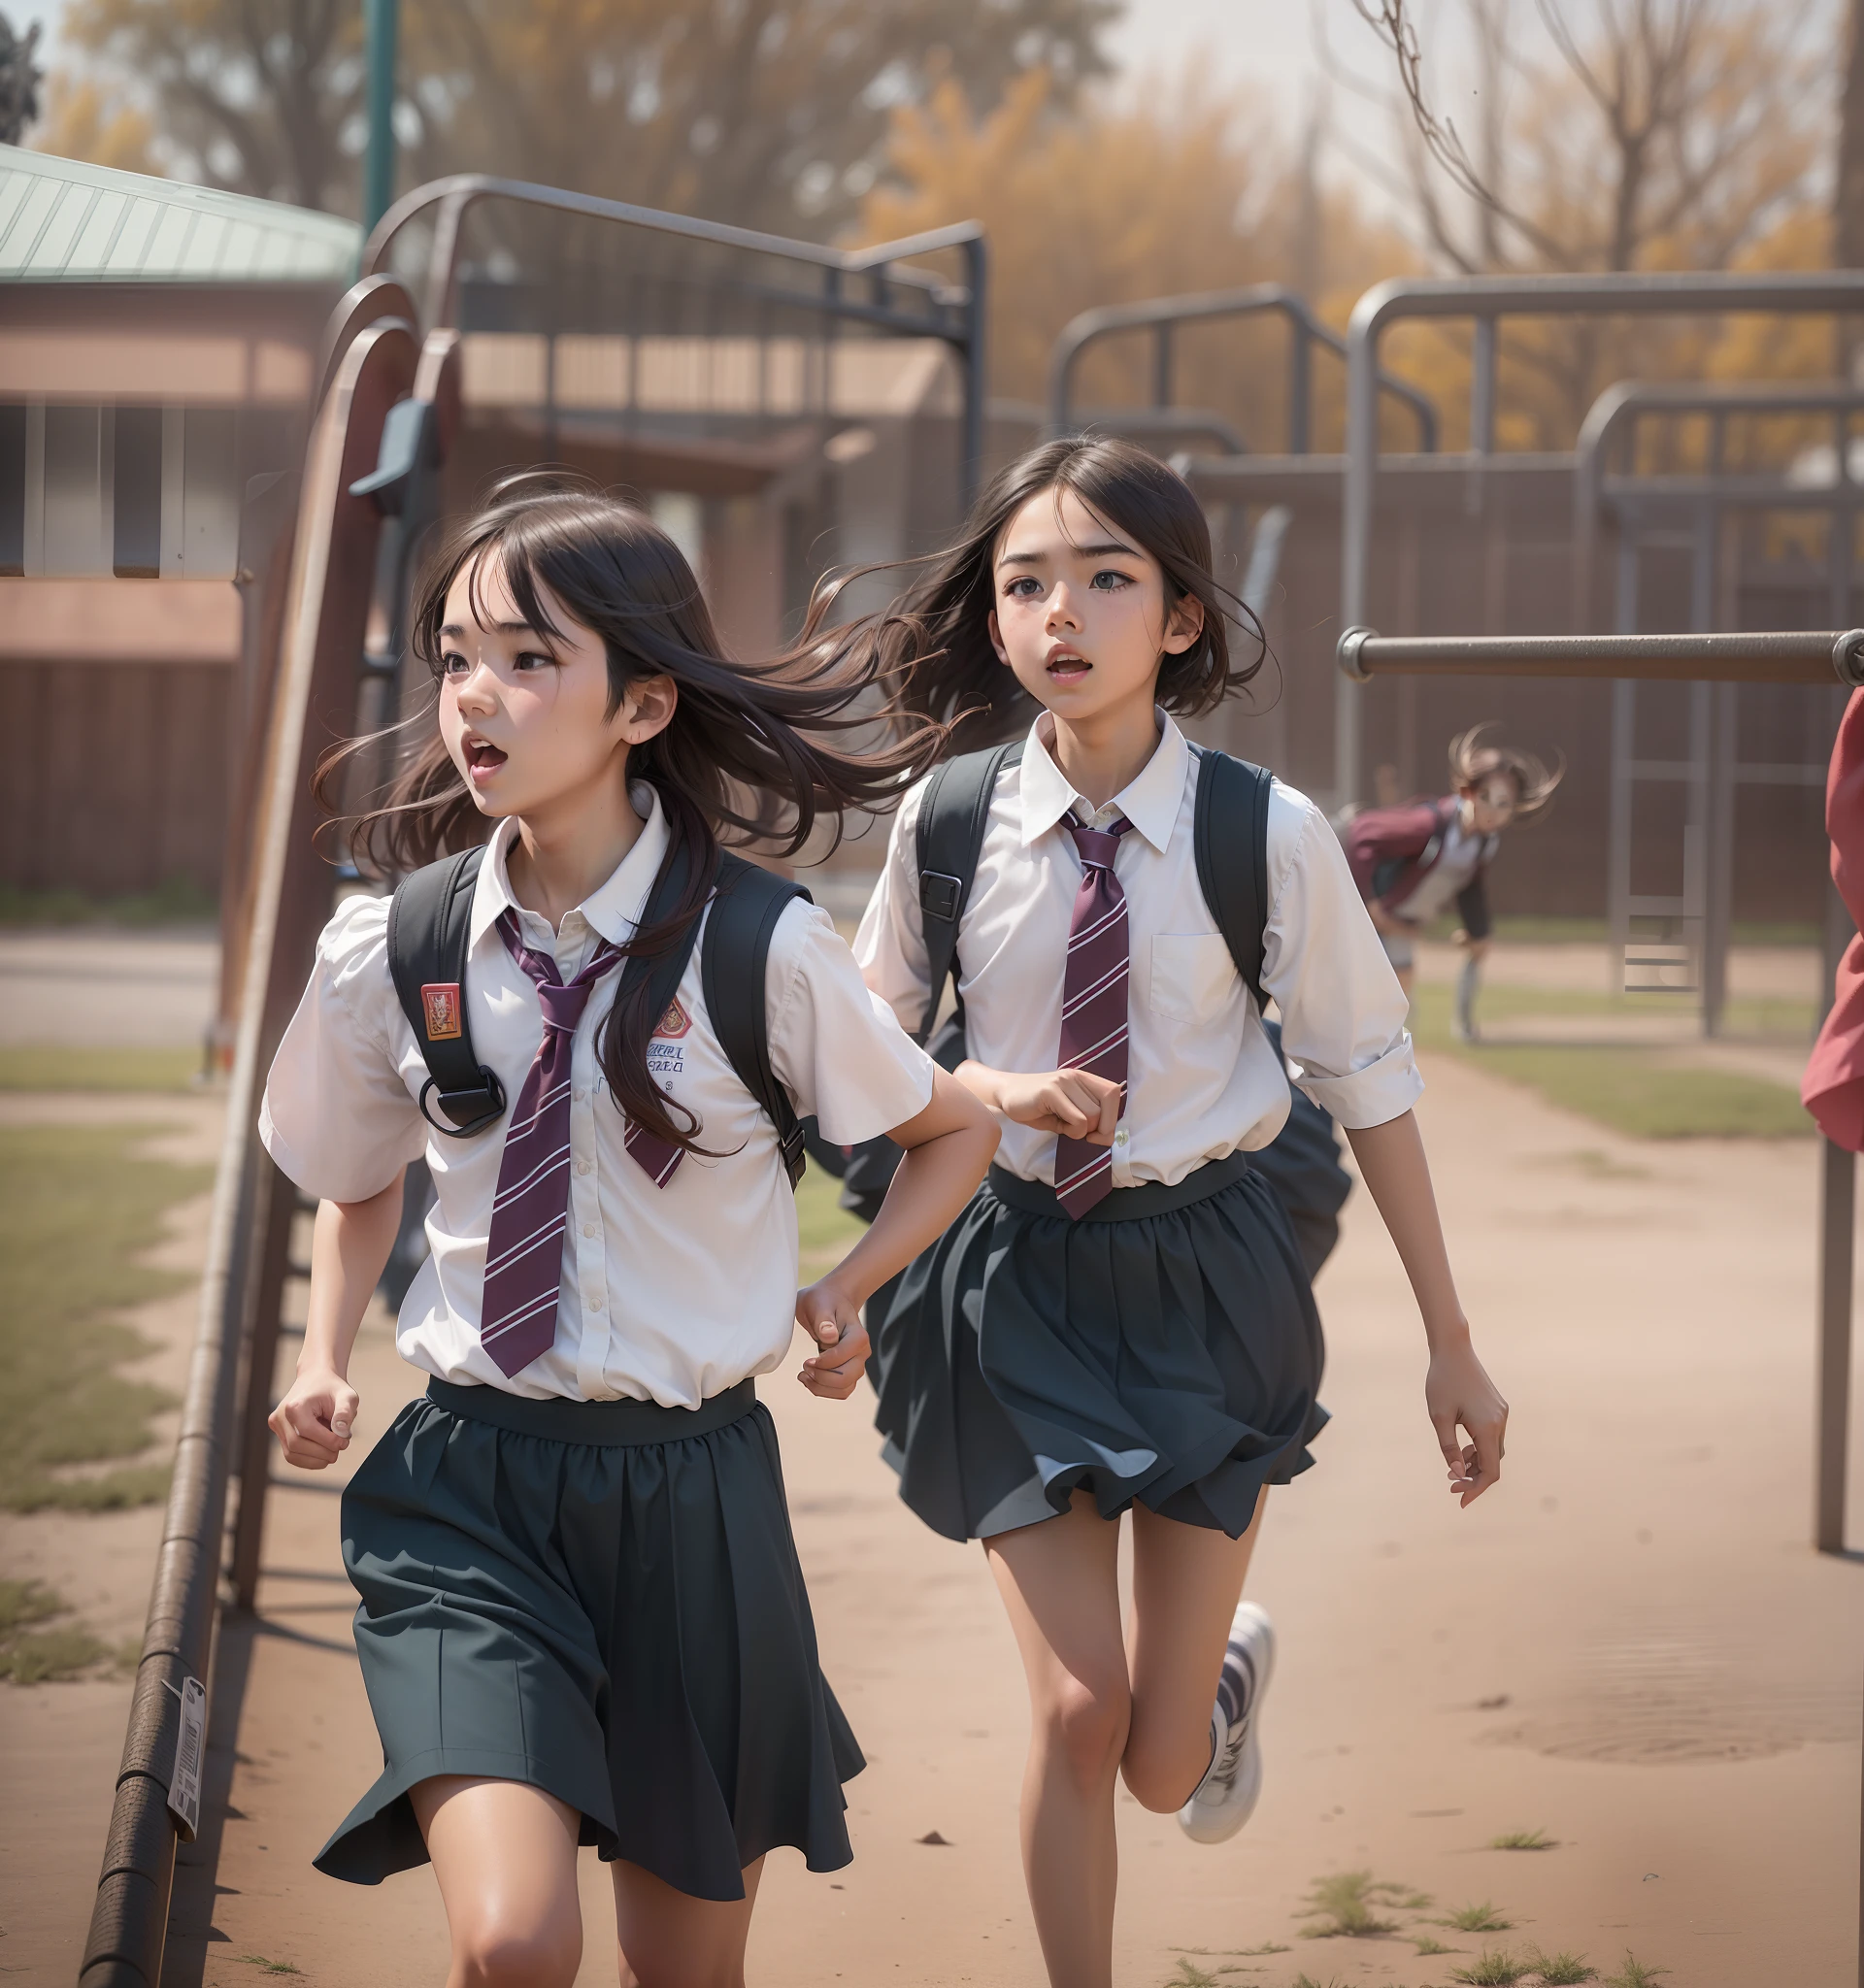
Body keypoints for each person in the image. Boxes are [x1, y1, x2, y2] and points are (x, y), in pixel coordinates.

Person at [258, 480, 999, 1988]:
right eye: (458, 656)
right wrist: (327, 1352)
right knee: (516, 1944)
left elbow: (955, 1127)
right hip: (469, 1492)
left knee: (686, 1972)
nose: (479, 695)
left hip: (694, 1503)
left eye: (532, 659)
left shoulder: (762, 948)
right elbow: (359, 1180)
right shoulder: (391, 948)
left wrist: (846, 1285)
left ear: (644, 703)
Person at [839, 437, 1508, 1988]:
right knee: (1075, 1717)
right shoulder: (946, 826)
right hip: (1009, 1285)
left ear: (1183, 619)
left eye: (1106, 578)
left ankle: (1209, 1702)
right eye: (1026, 584)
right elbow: (862, 1060)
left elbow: (1370, 1074)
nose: (1060, 612)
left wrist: (1451, 1346)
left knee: (1152, 1763)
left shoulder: (1264, 831)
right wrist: (971, 1118)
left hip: (1210, 1285)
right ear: (997, 624)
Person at [1344, 724, 1561, 1041]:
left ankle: (1382, 1062)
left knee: (1399, 996)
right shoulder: (1431, 825)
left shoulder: (1485, 843)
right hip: (1362, 914)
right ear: (1467, 792)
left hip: (1396, 922)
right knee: (1369, 998)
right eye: (1486, 798)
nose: (1494, 812)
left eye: (1505, 805)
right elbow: (1361, 833)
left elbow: (1470, 886)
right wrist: (1371, 906)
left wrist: (1479, 933)